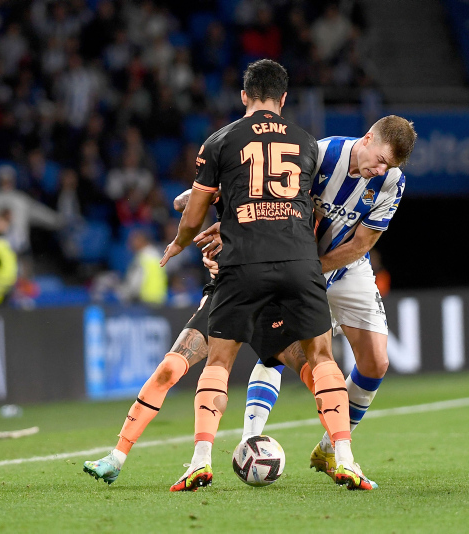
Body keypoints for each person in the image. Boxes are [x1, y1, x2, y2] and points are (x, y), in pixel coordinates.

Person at [159, 59, 371, 491]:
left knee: (219, 361)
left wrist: (181, 242)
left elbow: (194, 215)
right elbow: (311, 210)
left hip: (243, 264)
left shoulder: (220, 141)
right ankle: (346, 457)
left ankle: (200, 459)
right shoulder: (307, 143)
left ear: (243, 96)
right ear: (284, 98)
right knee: (322, 359)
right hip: (299, 262)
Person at [235, 115, 416, 477]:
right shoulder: (318, 155)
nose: (381, 169)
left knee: (376, 363)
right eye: (380, 159)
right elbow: (265, 193)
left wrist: (312, 270)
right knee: (278, 349)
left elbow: (362, 243)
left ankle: (328, 448)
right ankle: (249, 442)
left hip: (346, 267)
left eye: (389, 166)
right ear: (367, 138)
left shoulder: (392, 183)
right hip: (293, 264)